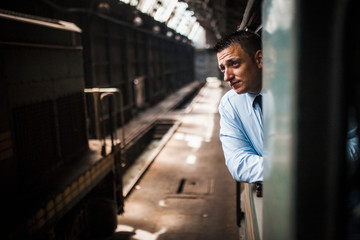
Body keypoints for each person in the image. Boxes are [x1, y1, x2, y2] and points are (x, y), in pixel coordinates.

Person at [214, 30, 263, 183]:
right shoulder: (229, 104)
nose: (227, 76)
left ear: (259, 60)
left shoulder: (296, 92)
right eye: (223, 68)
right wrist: (293, 169)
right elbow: (238, 163)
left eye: (234, 64)